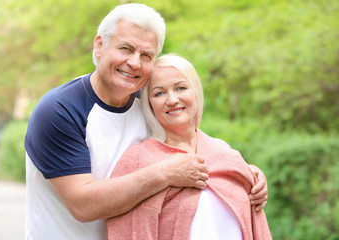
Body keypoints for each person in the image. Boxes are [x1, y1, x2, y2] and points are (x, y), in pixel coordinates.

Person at [24, 3, 268, 240]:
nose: (134, 63)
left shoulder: (149, 101)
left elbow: (192, 143)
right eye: (126, 49)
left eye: (146, 55)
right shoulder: (60, 110)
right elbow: (83, 205)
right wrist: (164, 173)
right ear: (99, 46)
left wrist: (245, 175)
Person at [106, 54, 272, 240]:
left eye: (181, 88)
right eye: (159, 93)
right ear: (149, 103)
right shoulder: (137, 161)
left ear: (195, 92)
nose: (172, 99)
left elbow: (254, 218)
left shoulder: (223, 152)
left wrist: (252, 177)